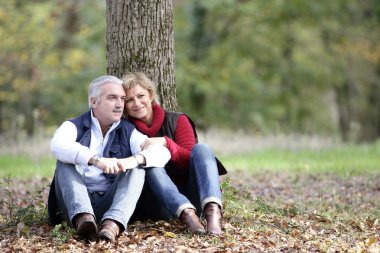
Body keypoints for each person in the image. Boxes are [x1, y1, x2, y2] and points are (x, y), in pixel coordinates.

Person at [47, 75, 171, 244]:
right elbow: (58, 145)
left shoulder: (128, 130)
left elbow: (163, 153)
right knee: (65, 161)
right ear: (93, 102)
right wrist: (96, 160)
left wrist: (132, 161)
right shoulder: (74, 125)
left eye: (122, 99)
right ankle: (84, 219)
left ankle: (112, 225)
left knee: (138, 167)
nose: (119, 105)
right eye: (112, 98)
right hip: (73, 206)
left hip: (111, 204)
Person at [122, 72, 227, 235]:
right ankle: (186, 215)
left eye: (140, 95)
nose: (136, 103)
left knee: (202, 149)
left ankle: (213, 214)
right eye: (129, 100)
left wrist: (165, 142)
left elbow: (188, 160)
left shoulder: (177, 120)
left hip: (193, 197)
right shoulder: (126, 130)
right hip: (158, 203)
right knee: (150, 164)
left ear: (150, 95)